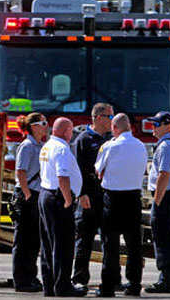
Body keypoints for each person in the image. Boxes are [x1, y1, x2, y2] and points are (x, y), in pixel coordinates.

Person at [94, 113, 147, 297]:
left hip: (113, 198)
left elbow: (98, 170)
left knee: (111, 245)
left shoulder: (109, 146)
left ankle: (108, 286)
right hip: (133, 198)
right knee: (134, 245)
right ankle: (134, 285)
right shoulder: (141, 146)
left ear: (115, 128)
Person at [38, 117, 86, 297]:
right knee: (63, 246)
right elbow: (63, 177)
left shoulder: (48, 145)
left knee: (48, 245)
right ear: (66, 131)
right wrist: (68, 200)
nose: (72, 134)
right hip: (58, 198)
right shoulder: (61, 148)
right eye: (71, 130)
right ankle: (63, 286)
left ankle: (49, 285)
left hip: (46, 195)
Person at [71, 103, 113, 291]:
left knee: (109, 240)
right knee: (84, 240)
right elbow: (77, 169)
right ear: (97, 118)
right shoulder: (83, 139)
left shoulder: (113, 139)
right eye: (109, 117)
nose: (112, 121)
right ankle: (79, 278)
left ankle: (110, 280)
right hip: (88, 195)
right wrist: (81, 194)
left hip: (107, 195)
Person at [144, 111, 170, 294]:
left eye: (156, 124)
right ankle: (169, 278)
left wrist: (157, 200)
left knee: (163, 238)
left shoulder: (166, 146)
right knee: (169, 237)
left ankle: (167, 280)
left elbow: (164, 174)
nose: (153, 128)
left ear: (168, 126)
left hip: (165, 196)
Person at [11, 113, 48, 292]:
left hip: (36, 194)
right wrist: (26, 193)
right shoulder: (27, 146)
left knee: (33, 241)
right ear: (33, 126)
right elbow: (20, 172)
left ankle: (31, 277)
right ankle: (22, 280)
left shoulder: (41, 145)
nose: (46, 126)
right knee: (23, 240)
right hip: (28, 195)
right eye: (43, 123)